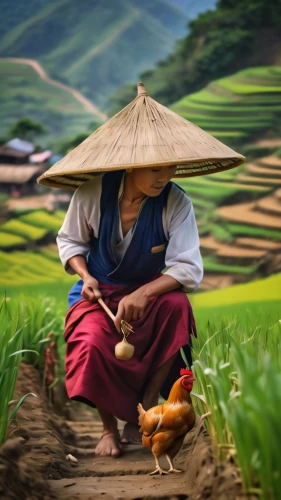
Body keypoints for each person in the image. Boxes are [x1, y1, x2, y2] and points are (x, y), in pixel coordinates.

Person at [57, 165, 203, 458]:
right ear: (131, 164)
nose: (164, 177)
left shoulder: (176, 202)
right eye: (154, 169)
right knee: (91, 341)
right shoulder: (92, 193)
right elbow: (70, 242)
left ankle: (147, 406)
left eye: (169, 168)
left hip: (148, 292)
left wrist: (145, 293)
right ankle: (108, 428)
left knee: (177, 306)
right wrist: (86, 277)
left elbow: (188, 267)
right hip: (99, 292)